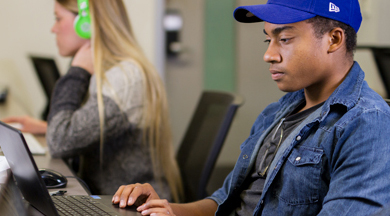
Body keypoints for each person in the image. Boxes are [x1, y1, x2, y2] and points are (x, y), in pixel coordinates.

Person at [112, 0, 390, 215]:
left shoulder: (367, 123)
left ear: (334, 39)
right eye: (268, 39)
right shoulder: (278, 112)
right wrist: (169, 209)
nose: (269, 54)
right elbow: (227, 200)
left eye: (285, 39)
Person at [7, 0, 183, 201]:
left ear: (86, 24)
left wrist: (77, 72)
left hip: (135, 206)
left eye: (58, 18)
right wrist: (49, 127)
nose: (53, 29)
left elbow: (59, 142)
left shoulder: (124, 78)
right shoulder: (104, 72)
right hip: (111, 199)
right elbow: (80, 131)